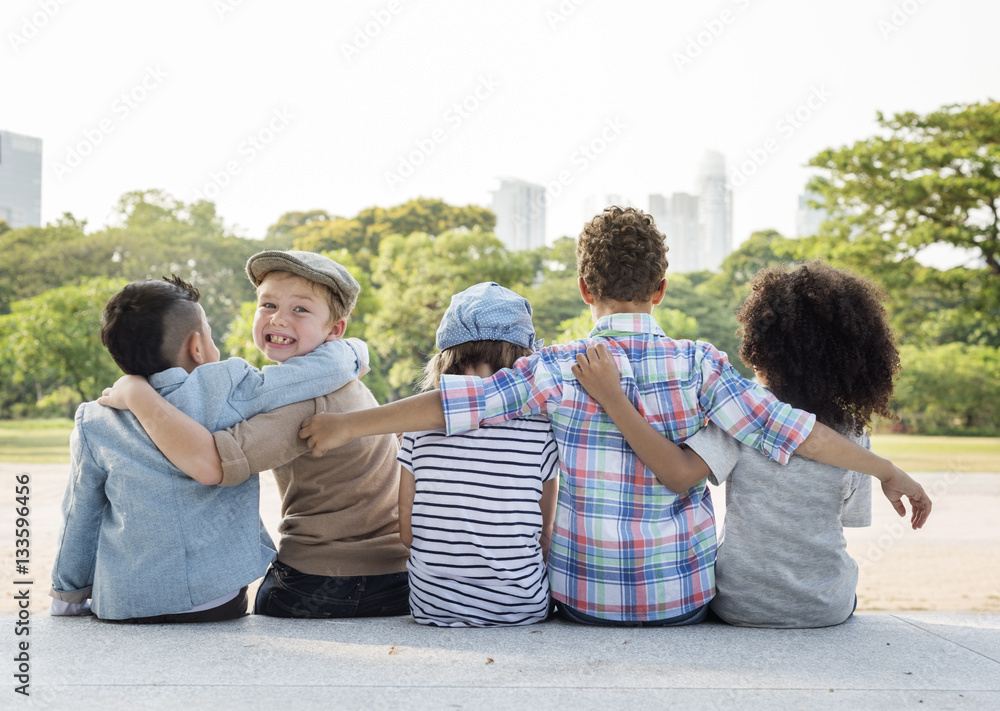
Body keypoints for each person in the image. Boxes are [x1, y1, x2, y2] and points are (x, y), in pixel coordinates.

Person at [299, 206, 930, 628]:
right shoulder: (701, 365)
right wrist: (887, 469)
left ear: (583, 288)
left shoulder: (557, 366)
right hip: (678, 600)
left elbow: (458, 403)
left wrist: (349, 424)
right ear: (661, 288)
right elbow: (798, 431)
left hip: (583, 599)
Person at [98, 251, 409, 619]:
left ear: (335, 330)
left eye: (301, 310)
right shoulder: (339, 373)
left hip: (329, 579)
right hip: (395, 575)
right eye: (269, 304)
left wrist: (137, 393)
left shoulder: (304, 400)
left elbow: (210, 462)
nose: (279, 318)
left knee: (257, 600)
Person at [399, 282, 559, 627]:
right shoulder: (540, 430)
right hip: (521, 608)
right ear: (523, 361)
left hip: (432, 608)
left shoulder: (417, 428)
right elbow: (546, 533)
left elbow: (406, 532)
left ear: (445, 358)